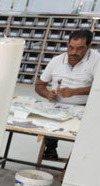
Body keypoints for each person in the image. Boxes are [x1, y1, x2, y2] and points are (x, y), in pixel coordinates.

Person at [35, 29, 99, 159]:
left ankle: (72, 163)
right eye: (71, 47)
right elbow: (39, 85)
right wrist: (48, 94)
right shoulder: (57, 60)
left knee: (85, 135)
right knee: (47, 125)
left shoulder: (96, 60)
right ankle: (50, 149)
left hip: (85, 106)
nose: (74, 52)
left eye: (80, 48)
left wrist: (75, 91)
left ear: (89, 46)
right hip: (57, 105)